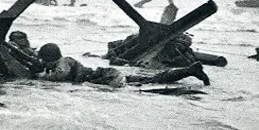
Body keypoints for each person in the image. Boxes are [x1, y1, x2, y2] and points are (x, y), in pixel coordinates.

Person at [37, 43, 210, 88]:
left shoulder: (63, 62)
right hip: (109, 74)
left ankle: (189, 71)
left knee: (149, 83)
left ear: (50, 58)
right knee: (154, 79)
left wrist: (43, 77)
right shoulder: (65, 60)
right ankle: (189, 70)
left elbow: (60, 75)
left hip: (106, 78)